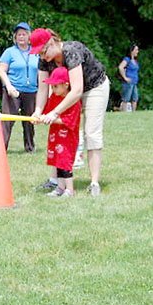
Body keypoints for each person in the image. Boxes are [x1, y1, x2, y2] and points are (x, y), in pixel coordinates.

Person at [30, 28, 110, 197]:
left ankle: (94, 183)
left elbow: (78, 89)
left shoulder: (71, 51)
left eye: (44, 51)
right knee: (58, 133)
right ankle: (55, 181)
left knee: (91, 132)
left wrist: (54, 113)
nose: (43, 56)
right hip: (66, 90)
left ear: (51, 42)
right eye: (39, 53)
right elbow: (43, 89)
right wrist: (38, 111)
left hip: (93, 87)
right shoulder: (44, 60)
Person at [0, 22, 39, 152]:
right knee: (7, 119)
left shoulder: (36, 52)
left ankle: (30, 147)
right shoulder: (9, 52)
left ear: (29, 36)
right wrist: (9, 86)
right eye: (19, 34)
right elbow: (2, 71)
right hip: (13, 90)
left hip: (31, 91)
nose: (21, 37)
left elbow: (41, 72)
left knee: (29, 121)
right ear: (15, 37)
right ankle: (2, 148)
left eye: (24, 34)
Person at [42, 67, 81, 197]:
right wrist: (40, 117)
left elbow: (69, 120)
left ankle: (69, 189)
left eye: (56, 86)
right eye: (52, 87)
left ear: (66, 85)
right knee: (58, 161)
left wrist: (50, 119)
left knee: (65, 162)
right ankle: (60, 187)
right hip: (55, 136)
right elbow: (48, 111)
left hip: (68, 138)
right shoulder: (54, 96)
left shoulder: (74, 101)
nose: (53, 90)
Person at [118, 44, 140, 111]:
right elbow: (120, 67)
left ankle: (134, 113)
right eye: (136, 50)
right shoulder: (127, 59)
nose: (137, 51)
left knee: (135, 98)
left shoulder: (135, 61)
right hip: (128, 83)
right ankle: (124, 113)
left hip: (134, 82)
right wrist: (125, 77)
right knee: (126, 99)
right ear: (131, 51)